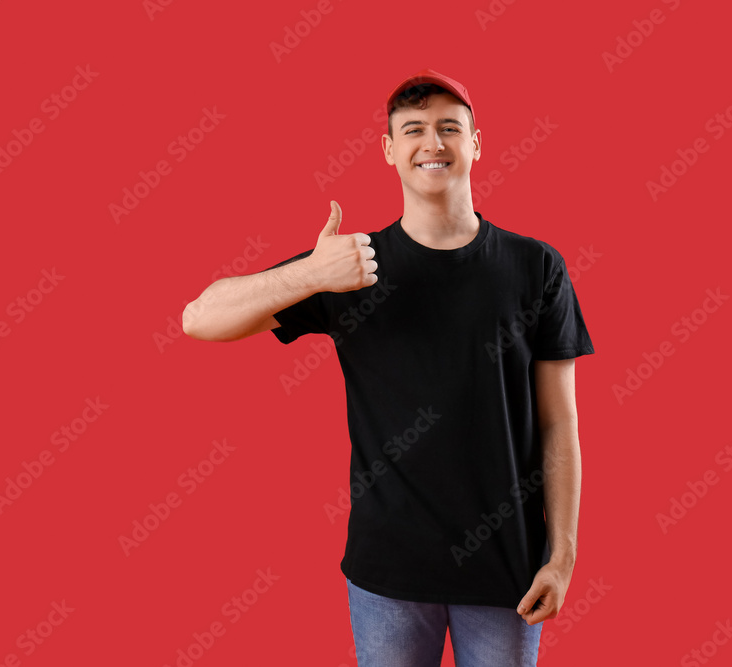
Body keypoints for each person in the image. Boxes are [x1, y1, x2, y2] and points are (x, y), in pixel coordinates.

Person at [182, 68, 593, 667]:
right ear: (389, 149)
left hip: (508, 571)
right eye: (414, 129)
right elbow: (199, 318)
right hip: (388, 574)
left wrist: (562, 558)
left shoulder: (536, 268)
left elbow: (559, 425)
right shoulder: (348, 264)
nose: (433, 143)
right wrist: (311, 276)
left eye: (450, 128)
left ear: (476, 143)